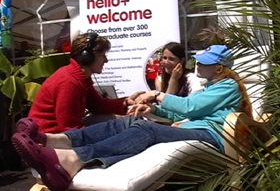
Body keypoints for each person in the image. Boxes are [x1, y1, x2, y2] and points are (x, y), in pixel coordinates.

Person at [11, 44, 253, 191]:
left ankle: (73, 159)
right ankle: (55, 140)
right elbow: (185, 110)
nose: (198, 63)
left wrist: (157, 94)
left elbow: (189, 107)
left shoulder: (227, 85)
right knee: (127, 121)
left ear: (220, 68)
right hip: (192, 129)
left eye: (205, 62)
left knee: (146, 131)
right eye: (198, 59)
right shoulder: (213, 86)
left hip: (210, 138)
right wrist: (152, 110)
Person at [26, 32, 143, 134]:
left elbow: (97, 106)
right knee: (117, 130)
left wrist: (126, 102)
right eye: (102, 56)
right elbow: (69, 129)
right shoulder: (68, 82)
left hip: (60, 133)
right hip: (47, 139)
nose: (106, 60)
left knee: (111, 120)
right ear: (87, 57)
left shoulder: (80, 77)